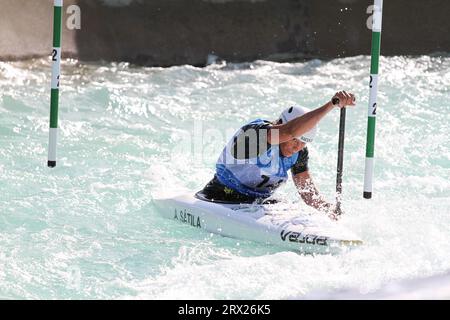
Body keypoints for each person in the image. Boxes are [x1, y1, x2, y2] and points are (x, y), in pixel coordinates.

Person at [198, 91, 356, 220]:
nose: (298, 147)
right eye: (295, 140)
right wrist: (332, 105)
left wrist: (330, 211)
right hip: (219, 198)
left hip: (259, 204)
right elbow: (289, 131)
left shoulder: (299, 152)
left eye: (304, 143)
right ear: (279, 123)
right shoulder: (255, 135)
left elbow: (307, 193)